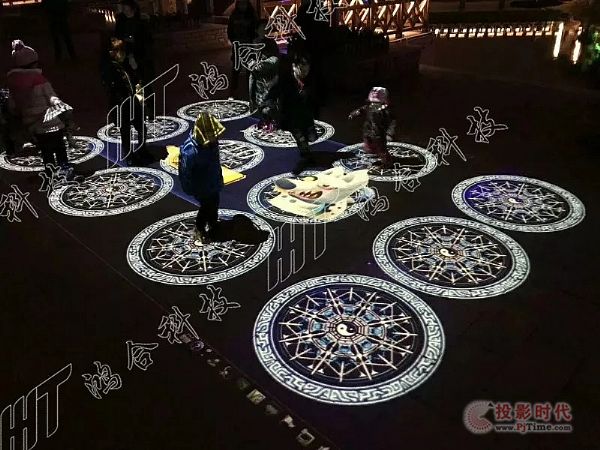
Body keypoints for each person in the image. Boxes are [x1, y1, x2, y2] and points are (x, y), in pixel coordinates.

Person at [7, 40, 71, 175]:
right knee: (59, 147)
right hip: (50, 121)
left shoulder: (14, 83)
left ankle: (50, 173)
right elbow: (52, 97)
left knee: (46, 151)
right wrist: (62, 109)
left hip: (33, 125)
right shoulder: (40, 80)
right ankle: (65, 169)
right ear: (34, 63)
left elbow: (13, 106)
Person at [100, 37, 150, 166]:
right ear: (112, 52)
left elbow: (136, 79)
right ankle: (129, 155)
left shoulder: (126, 64)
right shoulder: (109, 67)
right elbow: (110, 86)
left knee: (141, 127)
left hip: (133, 101)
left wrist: (135, 69)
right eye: (119, 51)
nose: (123, 54)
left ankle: (142, 150)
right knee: (125, 132)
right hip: (120, 104)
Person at [178, 112, 226, 243]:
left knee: (215, 202)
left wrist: (218, 177)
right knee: (206, 206)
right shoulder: (190, 150)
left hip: (213, 179)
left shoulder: (212, 143)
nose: (215, 138)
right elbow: (185, 171)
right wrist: (189, 187)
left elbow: (215, 161)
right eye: (211, 135)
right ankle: (199, 228)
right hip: (200, 184)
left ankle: (213, 223)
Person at [271, 52, 317, 174]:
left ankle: (306, 151)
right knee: (300, 138)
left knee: (311, 137)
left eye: (307, 70)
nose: (304, 73)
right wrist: (268, 106)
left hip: (306, 115)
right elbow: (272, 92)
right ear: (294, 66)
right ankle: (305, 157)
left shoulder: (310, 80)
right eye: (301, 69)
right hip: (291, 116)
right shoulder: (285, 80)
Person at [115, 0, 156, 113]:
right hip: (127, 57)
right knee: (134, 84)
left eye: (126, 7)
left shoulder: (141, 22)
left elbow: (148, 40)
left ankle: (150, 109)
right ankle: (141, 107)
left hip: (141, 58)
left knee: (145, 83)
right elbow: (117, 39)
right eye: (123, 7)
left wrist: (135, 43)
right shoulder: (121, 22)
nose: (124, 9)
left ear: (132, 8)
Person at [348, 87, 396, 168]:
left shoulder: (385, 111)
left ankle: (387, 162)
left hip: (379, 133)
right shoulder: (369, 107)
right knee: (369, 145)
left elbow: (392, 122)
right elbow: (361, 110)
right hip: (368, 130)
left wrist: (389, 134)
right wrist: (354, 114)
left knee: (381, 149)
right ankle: (374, 154)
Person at [249, 21, 280, 131]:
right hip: (256, 79)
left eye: (264, 28)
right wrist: (252, 64)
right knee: (257, 103)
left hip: (269, 78)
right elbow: (248, 58)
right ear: (256, 30)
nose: (263, 30)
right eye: (261, 28)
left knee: (269, 103)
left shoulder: (271, 43)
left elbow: (275, 58)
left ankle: (272, 124)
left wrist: (264, 64)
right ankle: (262, 124)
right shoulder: (252, 44)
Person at [227, 0, 258, 97]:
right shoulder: (234, 16)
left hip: (248, 45)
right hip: (237, 45)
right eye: (241, 4)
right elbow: (230, 30)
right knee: (236, 69)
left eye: (244, 4)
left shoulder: (251, 15)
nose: (242, 6)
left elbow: (255, 29)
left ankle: (251, 90)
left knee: (250, 68)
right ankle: (233, 91)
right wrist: (233, 40)